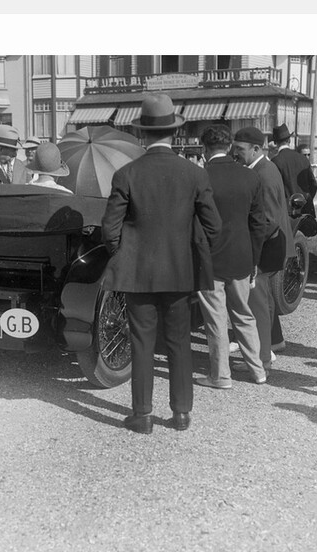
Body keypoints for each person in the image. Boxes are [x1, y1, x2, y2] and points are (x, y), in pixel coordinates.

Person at [101, 93, 221, 434]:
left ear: (142, 133)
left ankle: (143, 414)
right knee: (179, 342)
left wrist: (123, 254)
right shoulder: (194, 174)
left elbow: (110, 228)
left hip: (138, 274)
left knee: (141, 342)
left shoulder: (126, 174)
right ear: (175, 132)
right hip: (180, 273)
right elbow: (214, 226)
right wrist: (191, 252)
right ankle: (181, 413)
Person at [196, 125, 270, 388]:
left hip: (210, 259)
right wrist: (254, 260)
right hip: (242, 256)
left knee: (216, 318)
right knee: (243, 313)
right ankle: (258, 370)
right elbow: (258, 224)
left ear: (204, 149)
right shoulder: (250, 177)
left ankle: (221, 375)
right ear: (229, 147)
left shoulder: (201, 177)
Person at [230, 126, 292, 374]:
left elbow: (267, 221)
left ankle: (261, 360)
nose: (236, 153)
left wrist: (250, 253)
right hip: (271, 246)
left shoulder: (262, 174)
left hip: (264, 249)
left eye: (240, 149)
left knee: (258, 307)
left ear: (256, 149)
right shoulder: (266, 168)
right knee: (263, 304)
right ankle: (263, 354)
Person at [270, 124, 317, 222]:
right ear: (289, 140)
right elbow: (313, 185)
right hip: (305, 210)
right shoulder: (303, 159)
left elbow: (275, 189)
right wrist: (307, 200)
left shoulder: (275, 161)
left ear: (275, 142)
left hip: (287, 212)